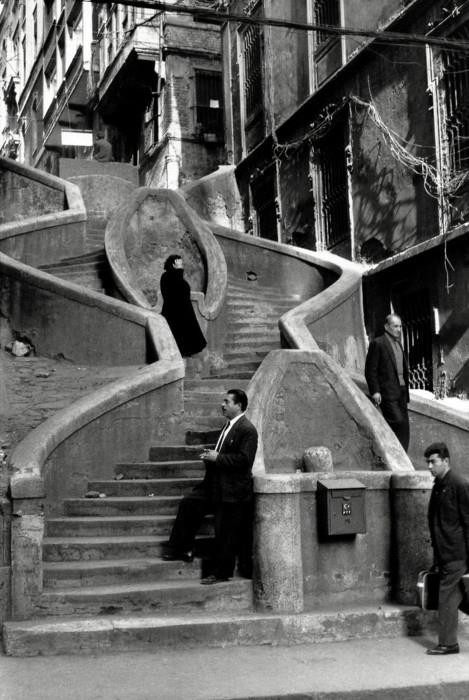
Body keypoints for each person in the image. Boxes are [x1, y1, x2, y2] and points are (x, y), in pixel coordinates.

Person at [163, 389, 258, 584]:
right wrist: (210, 457)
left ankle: (221, 573)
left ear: (239, 405)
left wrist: (218, 457)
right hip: (215, 485)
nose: (223, 405)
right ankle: (181, 548)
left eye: (227, 402)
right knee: (189, 504)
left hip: (233, 491)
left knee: (225, 531)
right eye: (223, 401)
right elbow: (224, 455)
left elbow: (245, 460)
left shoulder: (247, 429)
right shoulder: (228, 426)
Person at [425, 441, 469, 655]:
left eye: (433, 462)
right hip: (445, 554)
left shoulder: (459, 484)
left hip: (456, 554)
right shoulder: (439, 485)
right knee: (459, 599)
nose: (430, 466)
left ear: (446, 461)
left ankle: (448, 643)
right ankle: (448, 642)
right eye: (428, 462)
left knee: (447, 599)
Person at [364, 313, 410, 451]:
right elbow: (370, 370)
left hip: (402, 391)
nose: (399, 329)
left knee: (405, 426)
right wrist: (375, 391)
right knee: (397, 423)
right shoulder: (378, 343)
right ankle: (394, 453)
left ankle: (403, 456)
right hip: (387, 393)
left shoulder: (399, 344)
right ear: (386, 327)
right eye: (395, 326)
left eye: (400, 326)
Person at [160, 254, 207, 357]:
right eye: (179, 263)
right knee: (177, 345)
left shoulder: (178, 277)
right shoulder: (166, 277)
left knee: (188, 346)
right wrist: (178, 271)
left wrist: (179, 272)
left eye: (181, 263)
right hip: (174, 314)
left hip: (184, 313)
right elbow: (172, 294)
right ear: (173, 264)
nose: (182, 265)